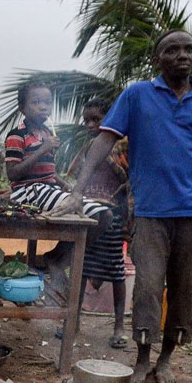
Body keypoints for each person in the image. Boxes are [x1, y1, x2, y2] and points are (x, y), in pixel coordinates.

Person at [60, 30, 192, 383]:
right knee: (148, 287)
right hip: (151, 213)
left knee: (182, 290)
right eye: (172, 49)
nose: (182, 55)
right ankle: (141, 360)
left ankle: (166, 359)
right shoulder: (137, 95)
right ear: (157, 59)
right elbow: (104, 140)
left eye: (189, 49)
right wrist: (77, 190)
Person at [4, 83, 113, 287]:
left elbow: (49, 173)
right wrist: (42, 149)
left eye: (47, 102)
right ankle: (55, 260)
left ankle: (57, 257)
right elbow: (13, 173)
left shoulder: (47, 133)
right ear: (22, 107)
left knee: (105, 216)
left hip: (47, 189)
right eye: (36, 102)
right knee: (99, 215)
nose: (43, 107)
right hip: (27, 192)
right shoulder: (17, 135)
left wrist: (67, 187)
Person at [72, 97, 130, 349]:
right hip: (88, 214)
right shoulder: (89, 148)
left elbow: (131, 178)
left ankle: (119, 327)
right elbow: (77, 176)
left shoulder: (123, 146)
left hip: (113, 216)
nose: (90, 125)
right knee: (81, 267)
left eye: (96, 119)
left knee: (116, 270)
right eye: (86, 120)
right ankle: (73, 321)